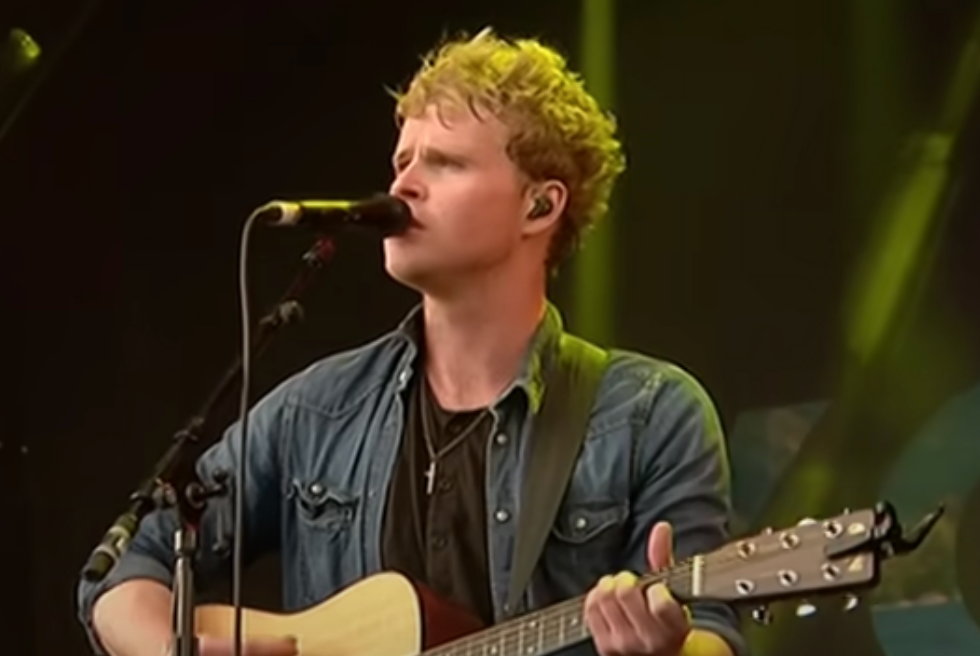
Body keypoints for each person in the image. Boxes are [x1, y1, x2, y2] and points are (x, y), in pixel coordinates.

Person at [76, 27, 746, 656]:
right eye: (403, 160)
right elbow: (119, 573)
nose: (402, 185)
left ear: (539, 207)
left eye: (445, 163)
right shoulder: (317, 412)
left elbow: (712, 628)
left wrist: (666, 647)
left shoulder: (650, 413)